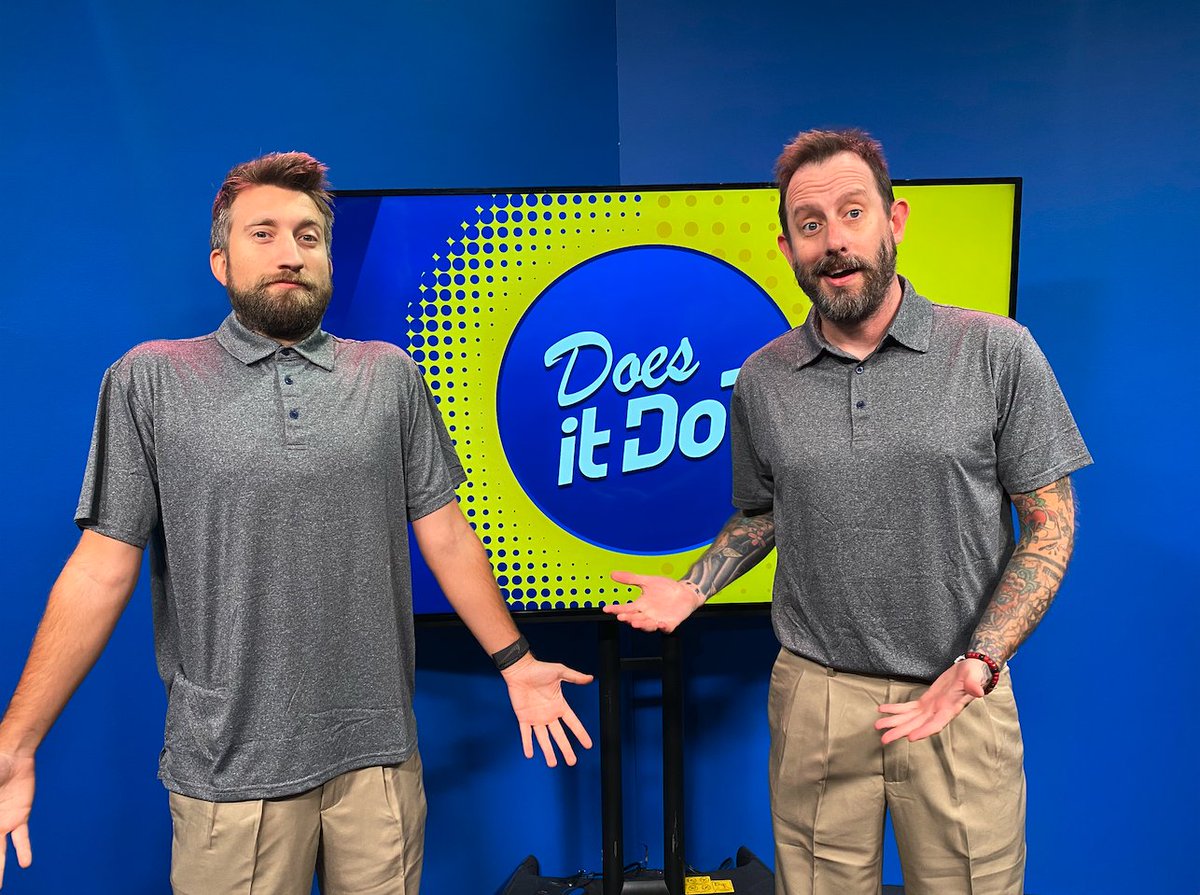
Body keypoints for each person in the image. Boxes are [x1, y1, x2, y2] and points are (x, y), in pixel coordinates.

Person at [0, 151, 592, 894]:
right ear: (220, 259)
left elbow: (444, 530)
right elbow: (99, 567)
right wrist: (17, 742)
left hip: (378, 762)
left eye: (309, 237)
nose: (290, 253)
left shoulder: (389, 376)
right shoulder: (149, 379)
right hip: (230, 770)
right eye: (265, 233)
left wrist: (516, 661)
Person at [605, 129, 1091, 895]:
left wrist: (979, 663)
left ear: (893, 221)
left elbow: (1051, 526)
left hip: (959, 691)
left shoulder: (997, 351)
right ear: (788, 245)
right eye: (810, 224)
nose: (834, 241)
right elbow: (762, 511)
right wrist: (694, 586)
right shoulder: (764, 379)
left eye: (852, 213)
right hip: (817, 698)